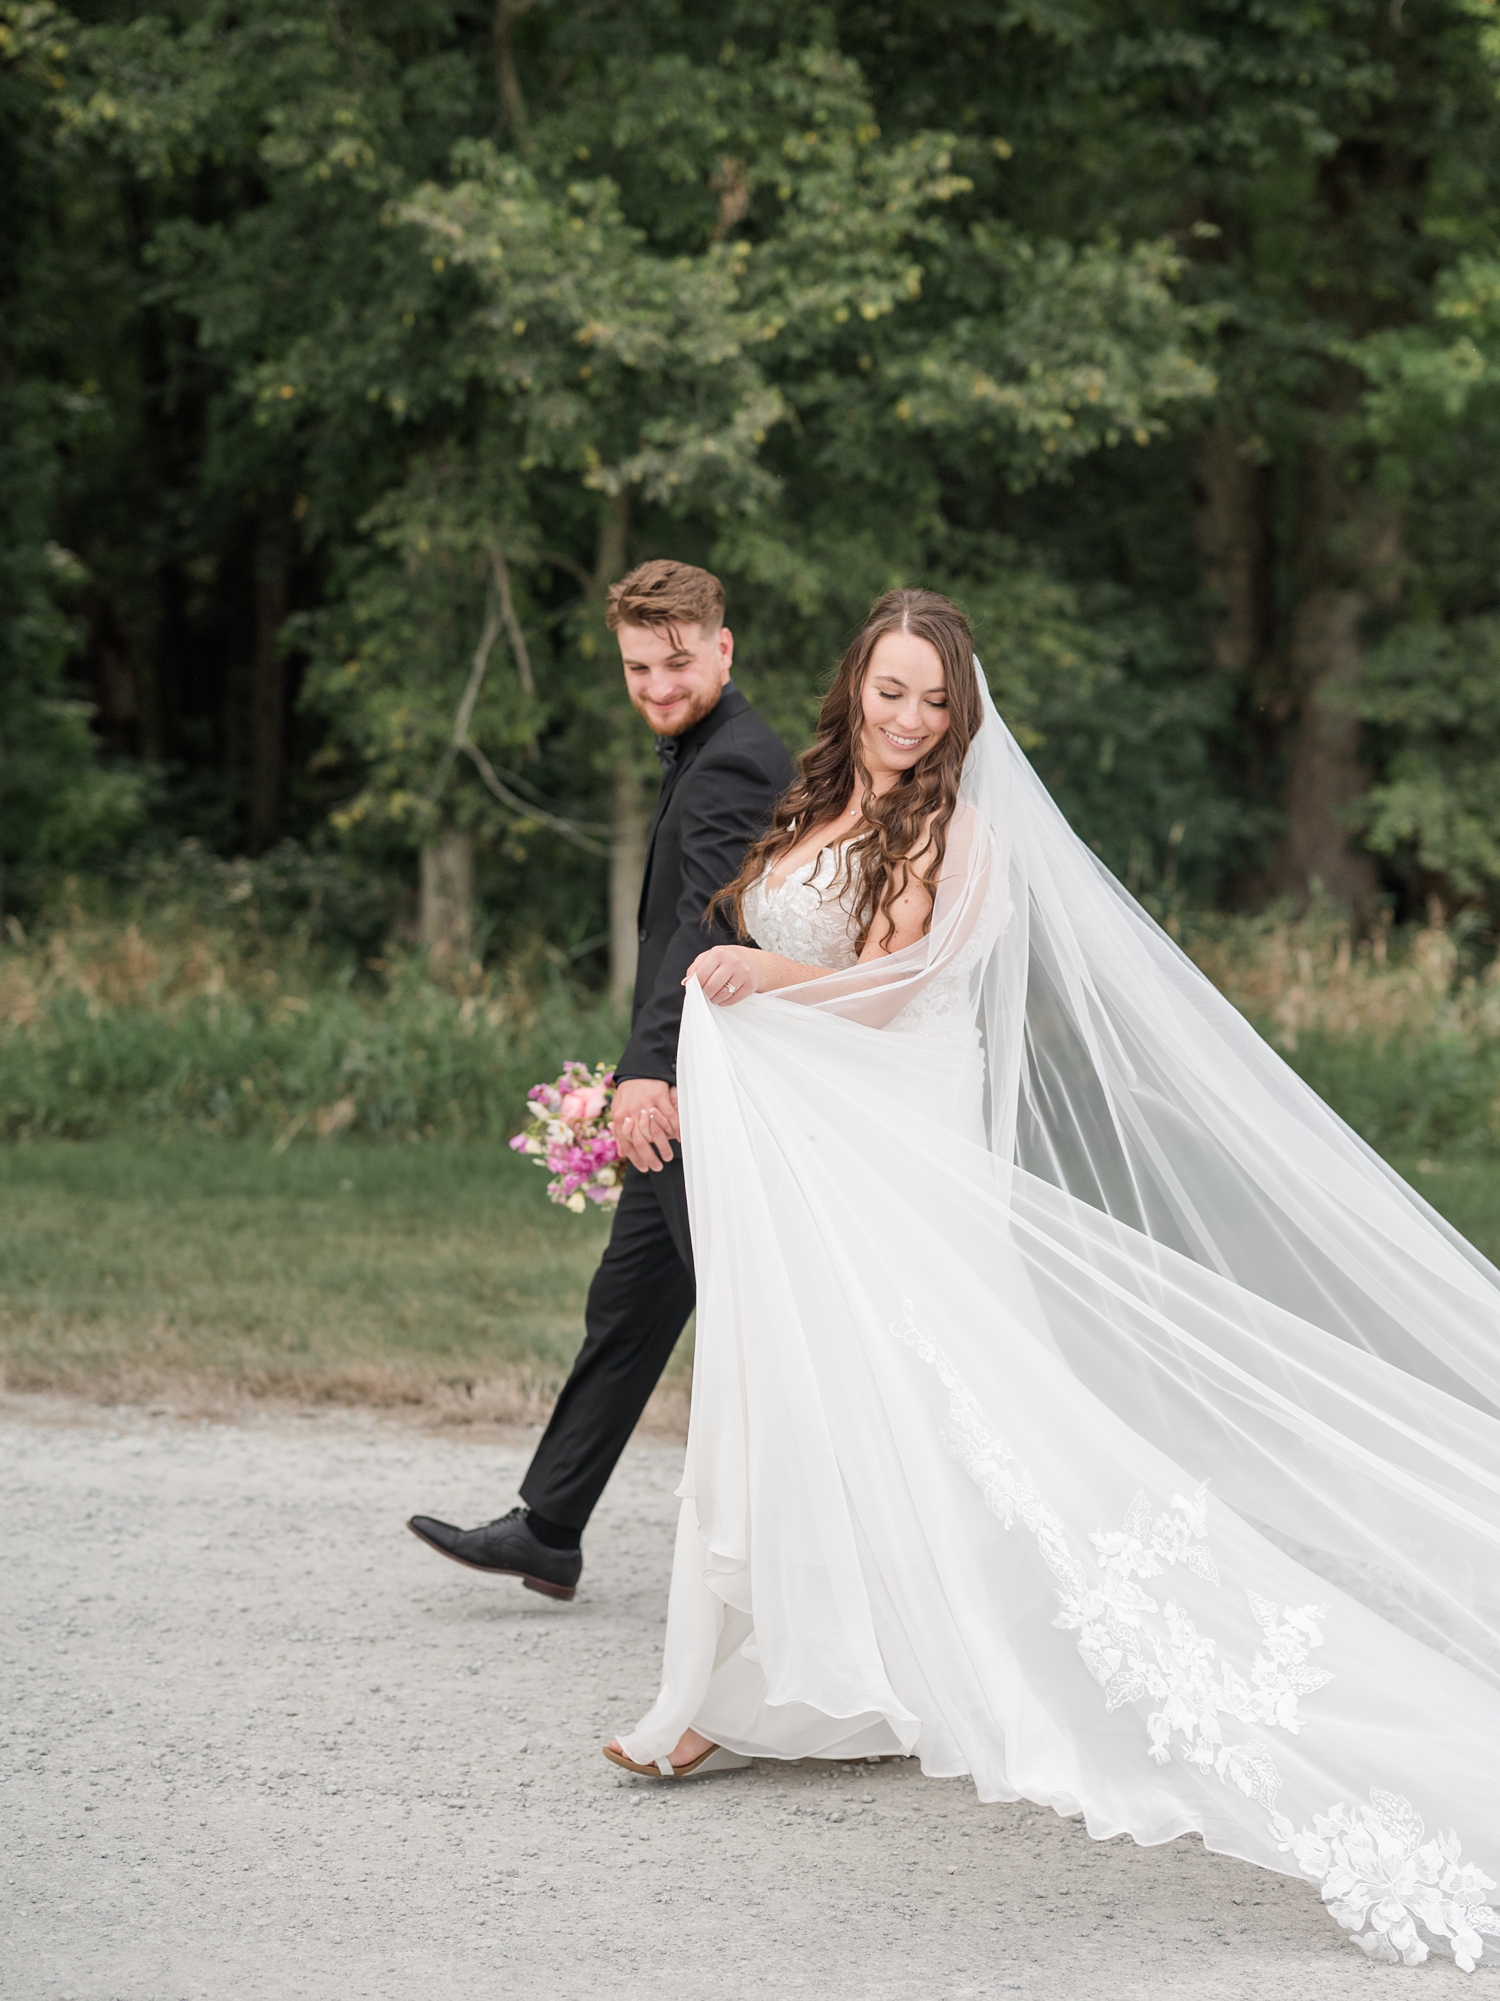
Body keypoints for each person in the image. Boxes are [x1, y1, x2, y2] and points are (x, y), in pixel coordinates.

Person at [603, 587, 1500, 1970]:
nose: (907, 718)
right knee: (786, 1403)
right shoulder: (812, 796)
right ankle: (739, 1684)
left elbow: (899, 986)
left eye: (932, 700)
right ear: (856, 687)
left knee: (951, 1423)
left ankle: (888, 1665)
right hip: (807, 1156)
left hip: (890, 1151)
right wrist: (728, 1006)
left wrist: (756, 981)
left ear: (960, 714)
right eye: (889, 690)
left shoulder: (955, 829)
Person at [408, 560, 793, 1598]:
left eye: (677, 662)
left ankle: (815, 1549)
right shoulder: (702, 748)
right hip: (686, 1086)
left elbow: (701, 918)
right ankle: (548, 1527)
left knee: (763, 1325)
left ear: (723, 647)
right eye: (637, 667)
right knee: (627, 1306)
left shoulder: (734, 764)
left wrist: (645, 1074)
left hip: (705, 1091)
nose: (657, 687)